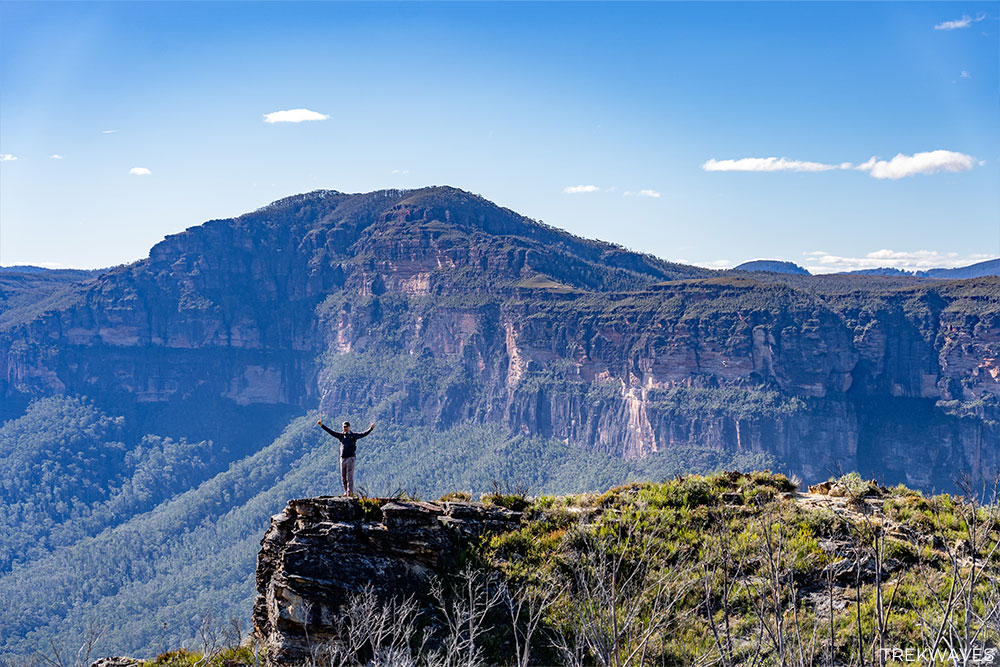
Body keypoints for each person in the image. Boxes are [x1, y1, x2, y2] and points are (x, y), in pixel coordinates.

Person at [317, 419, 375, 497]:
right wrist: (322, 425)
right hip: (343, 458)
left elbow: (363, 434)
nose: (345, 428)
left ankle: (350, 493)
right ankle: (345, 491)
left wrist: (371, 428)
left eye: (346, 427)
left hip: (350, 458)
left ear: (349, 427)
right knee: (343, 477)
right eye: (344, 427)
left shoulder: (353, 435)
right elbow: (331, 432)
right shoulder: (341, 436)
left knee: (349, 477)